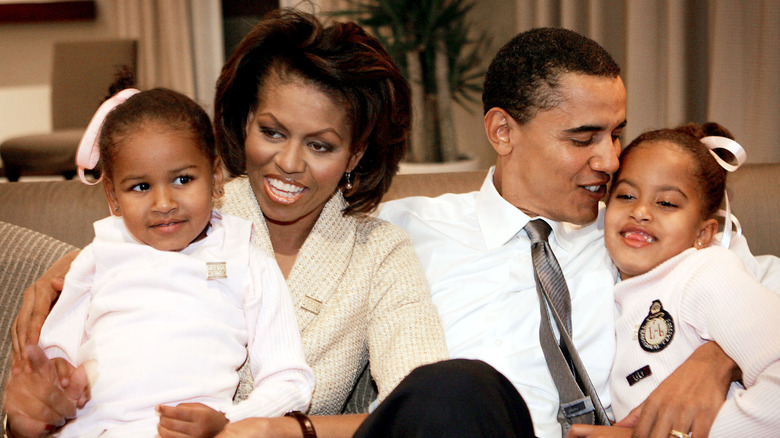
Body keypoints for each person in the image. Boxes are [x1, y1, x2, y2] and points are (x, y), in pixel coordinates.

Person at [5, 9, 448, 438]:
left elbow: (423, 409)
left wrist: (276, 429)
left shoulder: (378, 254)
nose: (289, 164)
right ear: (244, 122)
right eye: (272, 132)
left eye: (320, 145)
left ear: (355, 154)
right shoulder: (179, 210)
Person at [378, 27, 780, 438]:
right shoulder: (401, 231)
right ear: (502, 131)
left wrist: (717, 358)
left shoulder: (639, 233)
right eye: (584, 138)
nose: (610, 160)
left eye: (616, 134)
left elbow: (762, 297)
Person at [26, 85, 314, 437]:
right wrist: (57, 372)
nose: (163, 202)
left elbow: (290, 381)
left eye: (182, 179)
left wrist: (230, 420)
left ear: (216, 178)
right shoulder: (98, 256)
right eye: (140, 187)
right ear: (113, 198)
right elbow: (55, 348)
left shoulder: (247, 261)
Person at [568, 123, 780, 438]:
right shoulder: (612, 293)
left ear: (703, 234)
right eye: (626, 195)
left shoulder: (706, 271)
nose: (640, 211)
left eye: (666, 203)